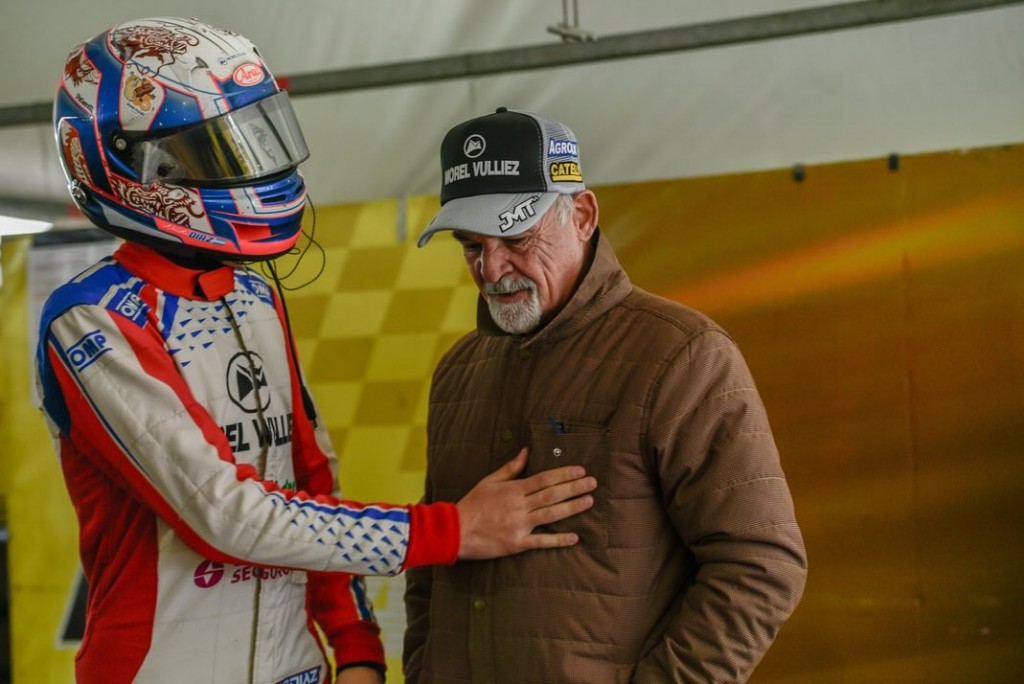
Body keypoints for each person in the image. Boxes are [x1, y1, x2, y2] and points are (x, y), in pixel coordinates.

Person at [37, 21, 596, 684]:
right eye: (210, 149)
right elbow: (225, 514)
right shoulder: (88, 318)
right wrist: (452, 531)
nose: (247, 165)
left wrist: (354, 647)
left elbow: (311, 486)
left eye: (251, 137)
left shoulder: (256, 298)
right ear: (125, 161)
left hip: (296, 668)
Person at [404, 108, 808, 683]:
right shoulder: (457, 372)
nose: (492, 269)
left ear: (584, 215)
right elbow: (430, 575)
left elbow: (762, 565)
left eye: (516, 237)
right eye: (471, 246)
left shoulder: (682, 355)